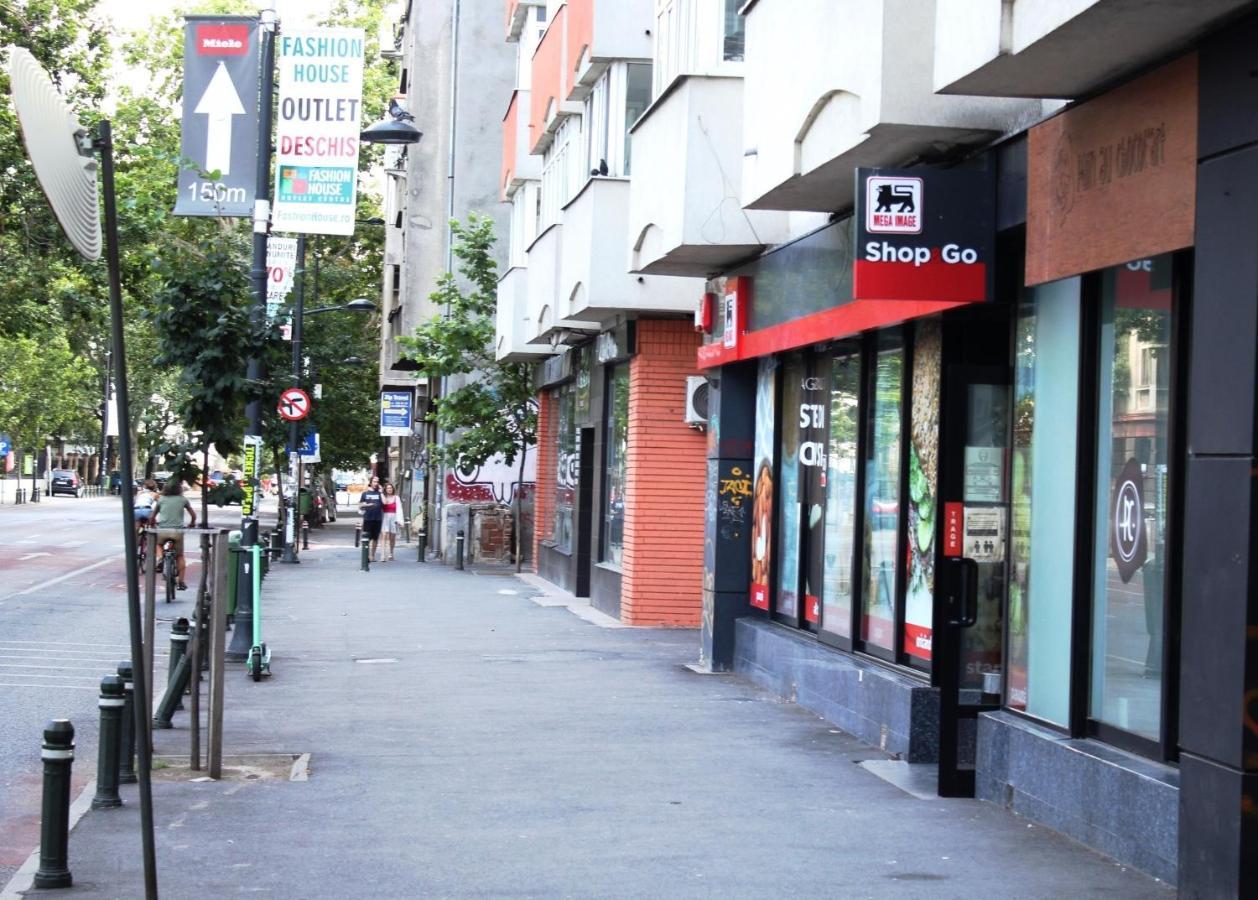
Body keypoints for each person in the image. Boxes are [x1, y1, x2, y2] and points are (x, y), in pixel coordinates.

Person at [155, 478, 197, 590]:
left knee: (158, 544)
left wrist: (152, 523)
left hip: (163, 530)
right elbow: (193, 515)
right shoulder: (183, 500)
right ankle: (181, 582)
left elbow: (152, 516)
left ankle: (160, 558)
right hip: (177, 532)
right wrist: (192, 523)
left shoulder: (161, 499)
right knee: (180, 556)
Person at [358, 476, 384, 561]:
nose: (376, 483)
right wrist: (368, 505)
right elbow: (360, 505)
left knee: (375, 538)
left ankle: (372, 555)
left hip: (377, 518)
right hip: (368, 518)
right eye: (374, 481)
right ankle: (366, 555)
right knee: (367, 537)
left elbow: (385, 502)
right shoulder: (365, 493)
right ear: (371, 482)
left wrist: (381, 492)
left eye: (377, 482)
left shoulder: (379, 493)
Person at [380, 482, 405, 561]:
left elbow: (399, 509)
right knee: (384, 535)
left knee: (392, 537)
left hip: (393, 517)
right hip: (385, 517)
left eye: (390, 488)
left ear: (392, 489)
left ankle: (391, 552)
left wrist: (400, 521)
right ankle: (383, 554)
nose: (389, 489)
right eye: (387, 488)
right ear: (385, 489)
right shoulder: (383, 497)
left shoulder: (396, 498)